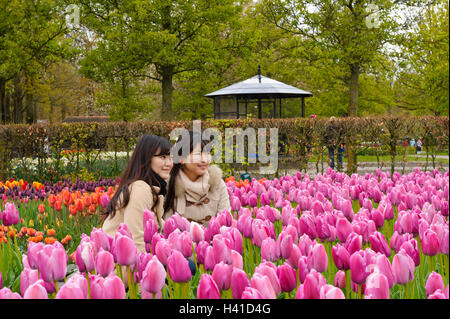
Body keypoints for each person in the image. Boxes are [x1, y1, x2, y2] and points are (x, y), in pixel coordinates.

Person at [102, 135, 173, 252]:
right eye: (162, 157)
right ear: (146, 158)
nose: (169, 163)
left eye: (171, 157)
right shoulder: (140, 189)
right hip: (121, 263)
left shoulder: (153, 187)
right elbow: (136, 238)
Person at [163, 131, 231, 225]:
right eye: (198, 154)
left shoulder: (217, 184)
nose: (204, 159)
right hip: (179, 239)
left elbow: (225, 224)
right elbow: (166, 227)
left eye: (207, 153)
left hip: (212, 238)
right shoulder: (169, 185)